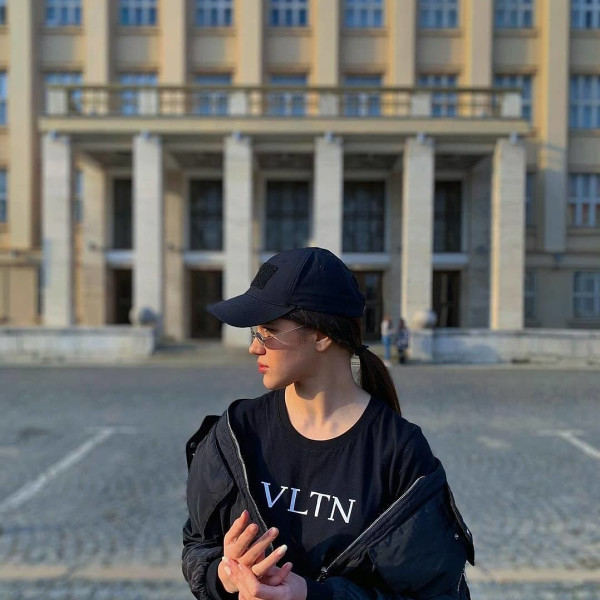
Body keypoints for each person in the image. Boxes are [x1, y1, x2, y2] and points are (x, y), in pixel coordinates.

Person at [182, 247, 474, 600]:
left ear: (321, 335)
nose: (254, 348)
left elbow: (435, 594)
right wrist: (227, 573)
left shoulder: (398, 451)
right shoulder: (236, 433)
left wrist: (311, 594)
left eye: (268, 331)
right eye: (254, 333)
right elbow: (198, 547)